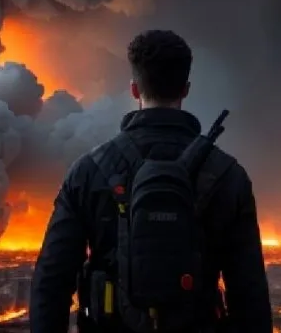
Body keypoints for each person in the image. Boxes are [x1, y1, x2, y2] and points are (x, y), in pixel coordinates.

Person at [30, 30, 272, 333]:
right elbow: (249, 296)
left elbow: (52, 282)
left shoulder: (88, 171)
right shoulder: (228, 175)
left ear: (134, 89)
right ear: (186, 89)